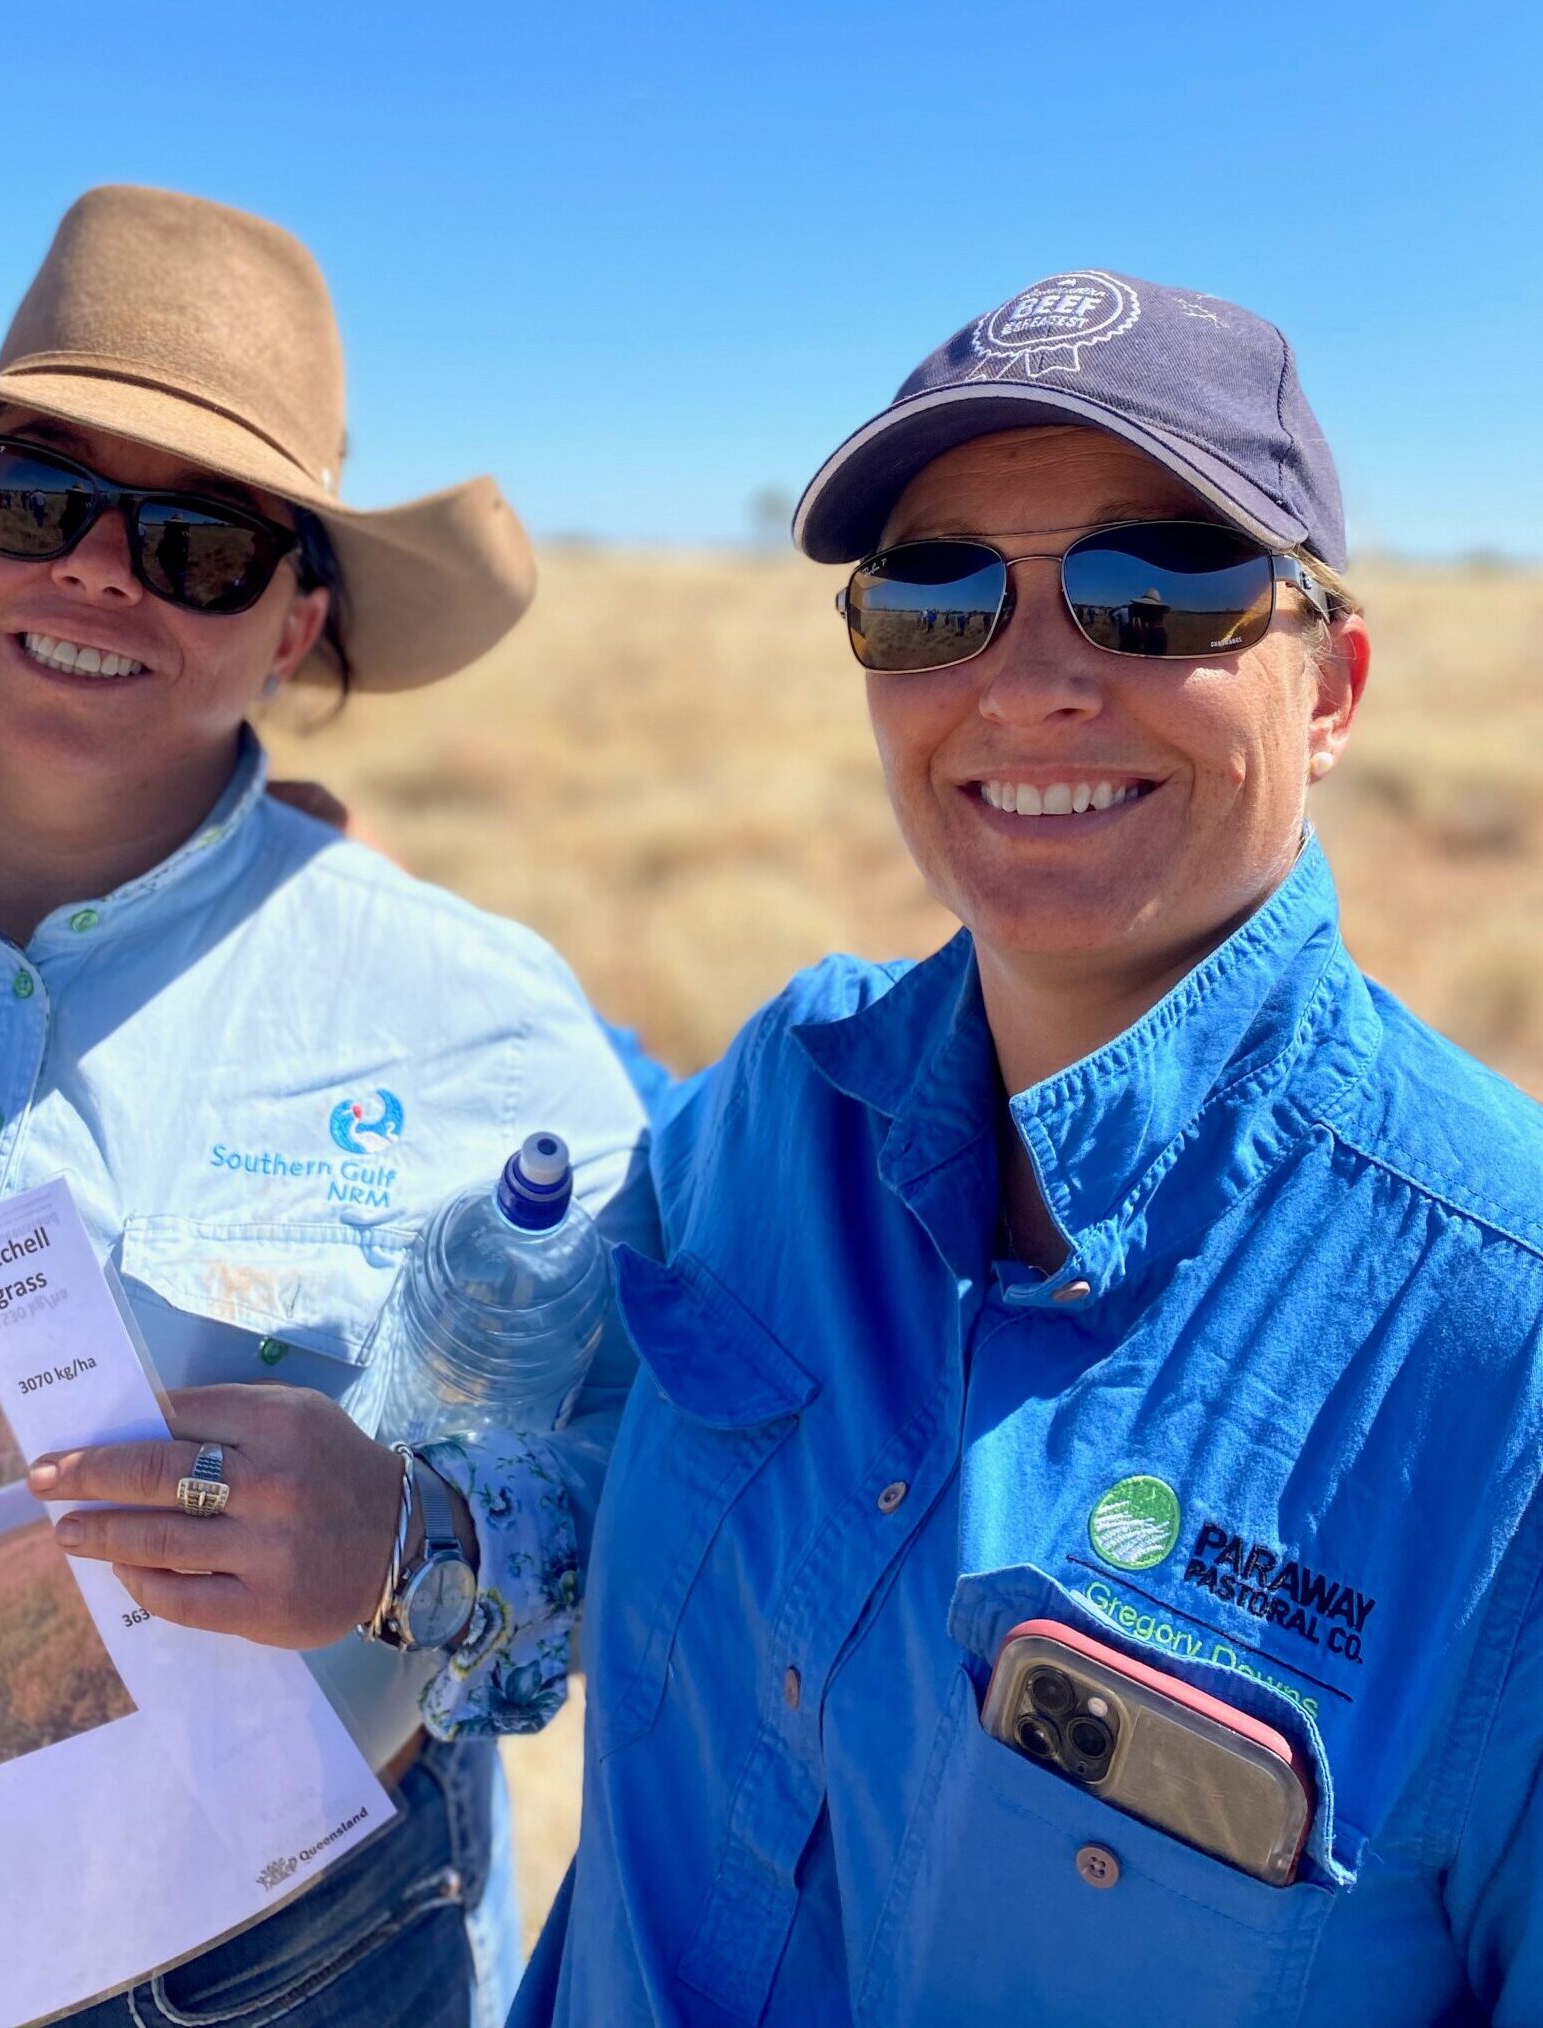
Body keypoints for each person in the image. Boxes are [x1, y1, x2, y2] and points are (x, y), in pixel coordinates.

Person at [0, 185, 655, 2028]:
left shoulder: (486, 1035)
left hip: (276, 1969)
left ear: (295, 621)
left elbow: (670, 1519)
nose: (99, 571)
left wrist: (412, 1547)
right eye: (36, 500)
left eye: (198, 547)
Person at [517, 270, 1543, 2024]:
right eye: (940, 596)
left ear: (1334, 688)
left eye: (1161, 592)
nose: (1035, 681)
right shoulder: (780, 1105)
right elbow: (556, 1317)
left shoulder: (1499, 1358)